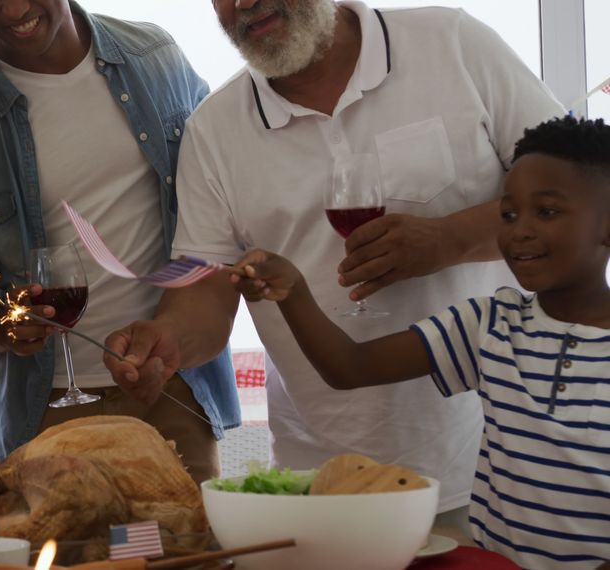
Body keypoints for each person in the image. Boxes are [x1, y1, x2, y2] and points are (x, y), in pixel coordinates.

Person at [104, 0, 564, 529]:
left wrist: (449, 239)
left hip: (503, 464)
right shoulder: (213, 129)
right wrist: (169, 341)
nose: (242, 4)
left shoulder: (452, 41)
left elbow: (583, 195)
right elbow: (205, 290)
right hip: (322, 485)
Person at [234, 115, 610, 569]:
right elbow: (350, 368)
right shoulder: (490, 323)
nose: (520, 230)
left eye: (546, 212)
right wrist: (293, 291)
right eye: (509, 214)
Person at [0, 0, 241, 483]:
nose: (13, 8)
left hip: (172, 388)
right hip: (44, 409)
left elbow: (222, 199)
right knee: (70, 555)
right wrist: (5, 326)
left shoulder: (154, 55)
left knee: (182, 550)